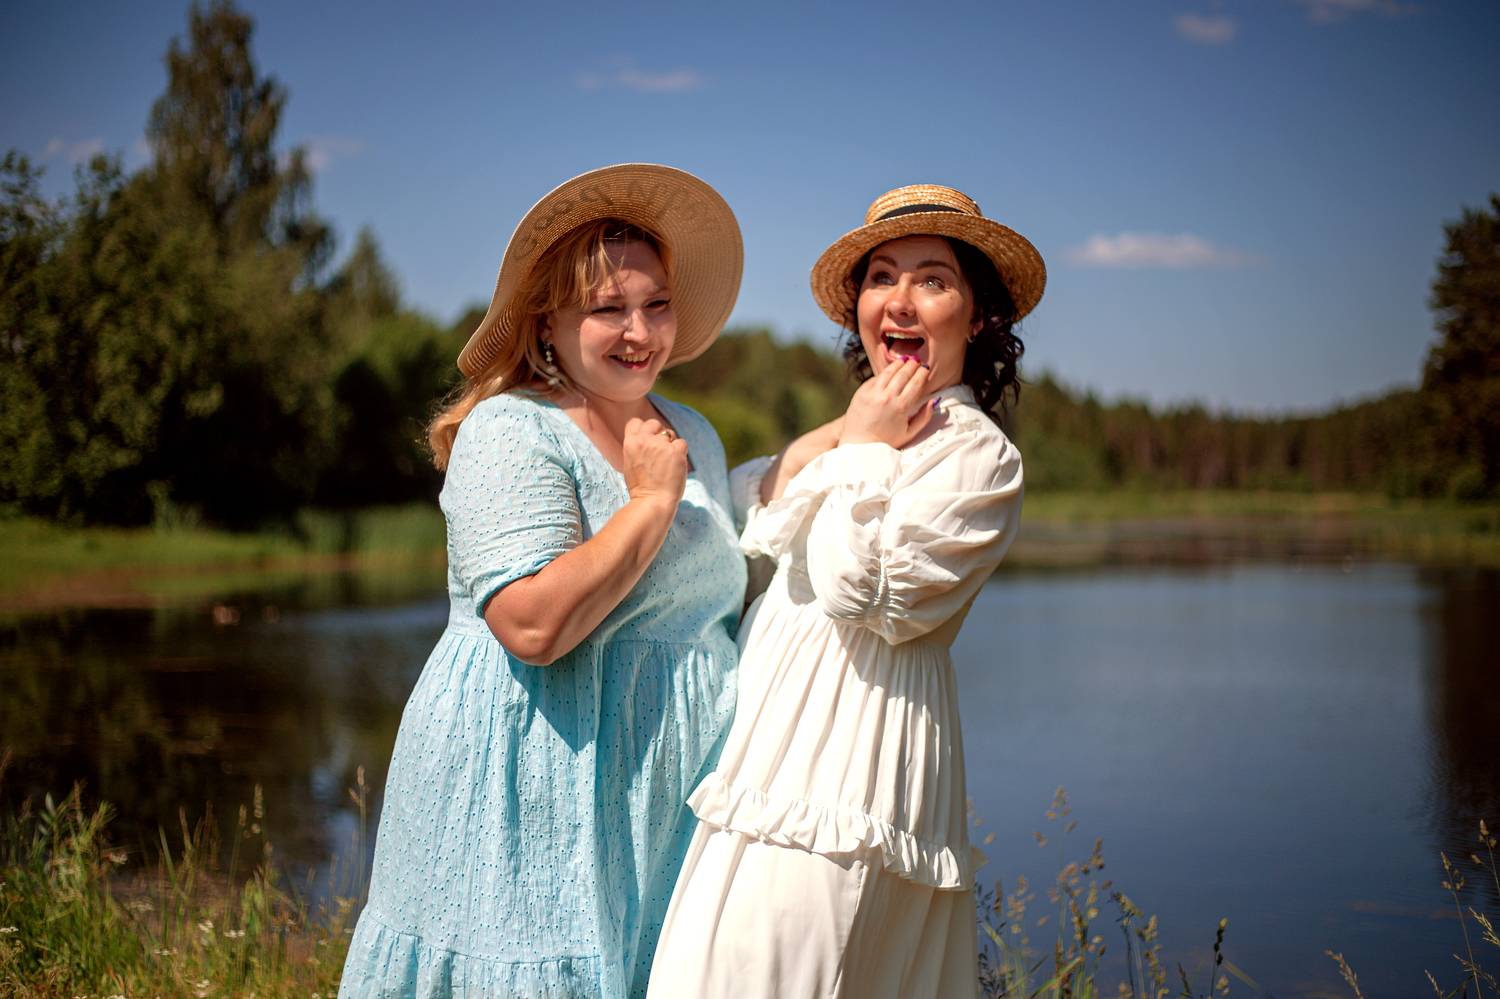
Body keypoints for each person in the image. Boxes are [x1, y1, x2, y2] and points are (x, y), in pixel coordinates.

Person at [339, 164, 746, 999]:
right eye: (608, 309)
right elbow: (531, 625)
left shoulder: (695, 433)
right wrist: (650, 503)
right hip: (532, 788)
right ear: (547, 323)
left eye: (658, 303)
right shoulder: (511, 430)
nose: (640, 330)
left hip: (665, 806)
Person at [647, 184, 1046, 999]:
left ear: (977, 316)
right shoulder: (860, 436)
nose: (899, 299)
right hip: (765, 756)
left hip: (853, 767)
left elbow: (854, 589)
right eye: (880, 277)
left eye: (932, 279)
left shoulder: (978, 458)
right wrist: (848, 432)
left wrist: (862, 447)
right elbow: (743, 509)